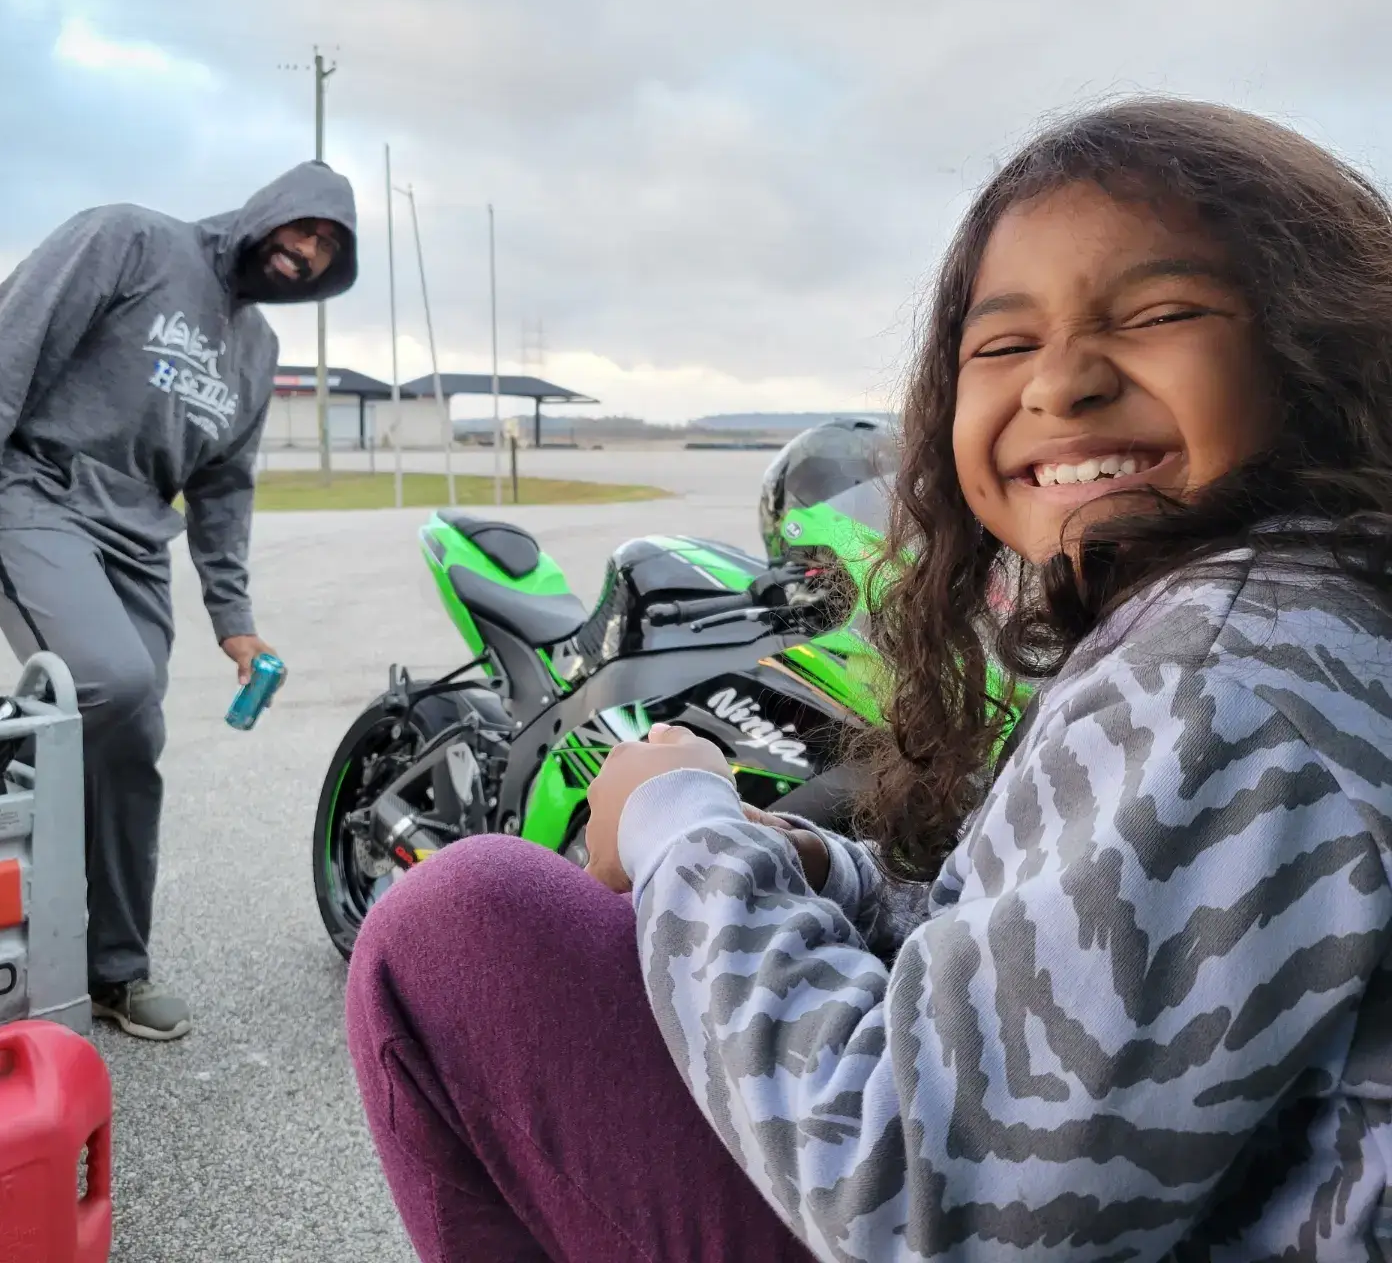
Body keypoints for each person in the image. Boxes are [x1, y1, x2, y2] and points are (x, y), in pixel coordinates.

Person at [344, 98, 1392, 1261]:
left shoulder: (1215, 674)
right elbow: (1029, 949)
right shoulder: (1302, 613)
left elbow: (949, 1203)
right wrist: (815, 862)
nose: (1061, 383)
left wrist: (679, 823)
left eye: (1156, 314)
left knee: (464, 924)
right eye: (1003, 344)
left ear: (1316, 343)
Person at [0, 161, 357, 1041]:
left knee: (132, 737)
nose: (308, 251)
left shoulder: (258, 351)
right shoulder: (129, 240)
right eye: (305, 228)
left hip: (135, 536)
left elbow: (223, 491)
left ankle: (113, 971)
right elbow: (6, 351)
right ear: (270, 212)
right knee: (107, 682)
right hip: (35, 492)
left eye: (328, 250)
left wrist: (235, 621)